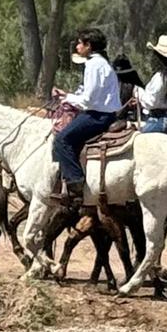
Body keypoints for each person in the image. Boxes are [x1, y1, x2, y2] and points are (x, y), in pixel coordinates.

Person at [51, 27, 122, 205]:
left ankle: (75, 185)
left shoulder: (93, 65)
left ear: (88, 46)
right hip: (106, 114)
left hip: (96, 116)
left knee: (61, 140)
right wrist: (68, 96)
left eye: (80, 43)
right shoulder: (103, 64)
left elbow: (89, 100)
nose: (77, 47)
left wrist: (67, 98)